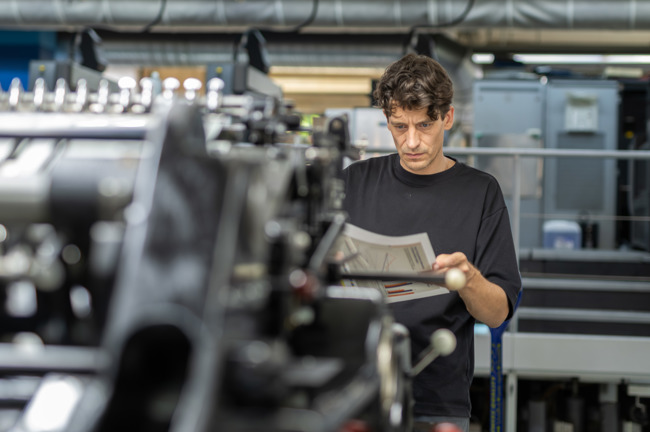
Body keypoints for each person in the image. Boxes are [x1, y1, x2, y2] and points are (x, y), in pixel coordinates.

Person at [341, 53, 522, 432]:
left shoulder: (480, 192)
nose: (411, 142)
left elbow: (497, 314)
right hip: (354, 390)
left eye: (424, 125)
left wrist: (469, 278)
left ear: (448, 118)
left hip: (437, 397)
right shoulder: (354, 182)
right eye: (399, 126)